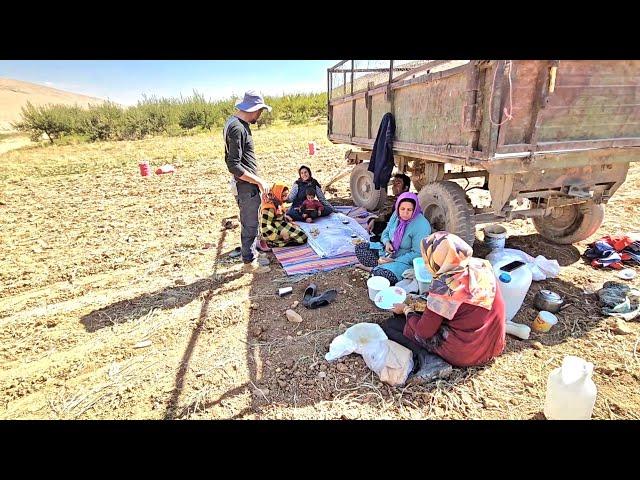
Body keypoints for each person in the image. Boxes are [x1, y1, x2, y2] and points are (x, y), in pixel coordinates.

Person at [382, 231, 506, 374]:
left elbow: (423, 332)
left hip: (467, 352)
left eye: (427, 258)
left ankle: (430, 361)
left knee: (392, 325)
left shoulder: (444, 288)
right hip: (493, 343)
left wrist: (406, 310)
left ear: (438, 259)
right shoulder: (480, 266)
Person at [223, 90, 272, 273]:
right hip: (245, 186)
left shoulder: (235, 123)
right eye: (260, 111)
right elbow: (233, 165)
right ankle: (249, 263)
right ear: (254, 109)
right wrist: (258, 181)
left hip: (246, 184)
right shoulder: (237, 128)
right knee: (250, 223)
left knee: (251, 221)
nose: (259, 115)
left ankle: (251, 254)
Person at [354, 192, 431, 285]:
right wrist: (387, 243)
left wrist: (394, 260)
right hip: (387, 252)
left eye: (409, 210)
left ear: (415, 210)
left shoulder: (421, 225)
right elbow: (385, 233)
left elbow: (418, 253)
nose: (405, 213)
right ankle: (379, 265)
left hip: (404, 261)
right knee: (360, 247)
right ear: (398, 207)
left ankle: (375, 268)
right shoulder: (396, 215)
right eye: (402, 209)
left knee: (382, 276)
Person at [260, 182, 308, 248]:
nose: (285, 198)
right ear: (277, 194)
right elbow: (265, 228)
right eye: (283, 196)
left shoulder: (277, 202)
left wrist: (287, 219)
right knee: (301, 238)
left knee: (302, 235)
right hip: (272, 231)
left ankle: (285, 240)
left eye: (286, 195)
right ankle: (272, 243)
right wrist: (280, 234)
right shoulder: (269, 208)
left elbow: (279, 216)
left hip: (279, 224)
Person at [367, 173, 411, 242]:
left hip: (402, 230)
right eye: (394, 183)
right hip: (397, 227)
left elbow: (393, 218)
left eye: (398, 183)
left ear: (405, 188)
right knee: (372, 221)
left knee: (375, 224)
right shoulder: (399, 198)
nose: (394, 186)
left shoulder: (405, 201)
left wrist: (375, 220)